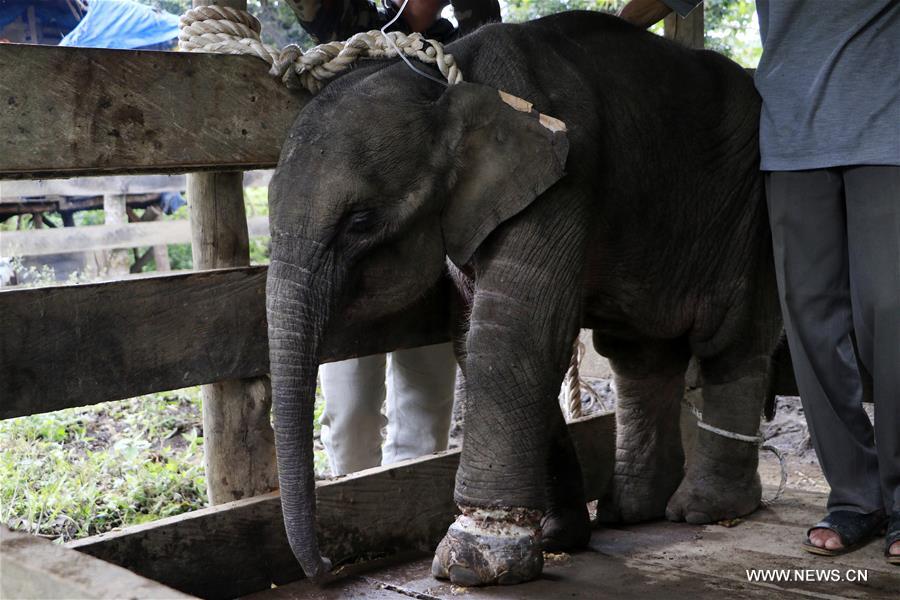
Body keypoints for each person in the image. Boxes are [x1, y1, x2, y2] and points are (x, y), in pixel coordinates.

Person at [619, 0, 899, 563]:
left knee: (889, 314)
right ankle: (855, 496)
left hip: (890, 127)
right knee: (810, 321)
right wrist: (601, 32)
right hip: (793, 138)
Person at [287, 0, 464, 476]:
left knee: (426, 407)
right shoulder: (345, 21)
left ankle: (408, 520)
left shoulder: (461, 41)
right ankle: (351, 510)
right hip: (348, 253)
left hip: (431, 248)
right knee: (350, 415)